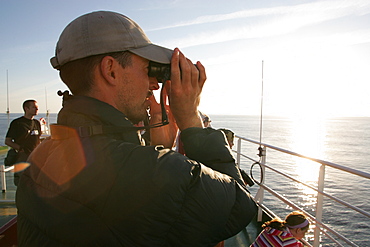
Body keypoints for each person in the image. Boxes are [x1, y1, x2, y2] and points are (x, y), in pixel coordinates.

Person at [16, 11, 257, 246]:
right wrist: (190, 118)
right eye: (148, 70)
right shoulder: (151, 172)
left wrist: (153, 148)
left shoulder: (41, 155)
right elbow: (240, 208)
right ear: (110, 70)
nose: (154, 84)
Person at [5, 99, 41, 186]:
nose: (37, 109)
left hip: (35, 157)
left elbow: (38, 139)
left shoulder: (36, 123)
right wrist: (21, 149)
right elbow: (8, 141)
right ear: (26, 109)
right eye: (34, 107)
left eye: (37, 108)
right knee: (22, 182)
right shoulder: (17, 123)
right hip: (23, 156)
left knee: (36, 181)